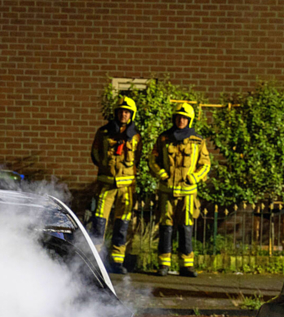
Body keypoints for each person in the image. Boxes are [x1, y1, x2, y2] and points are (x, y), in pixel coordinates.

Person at [148, 102, 211, 277]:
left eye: (184, 118)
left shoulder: (198, 141)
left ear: (189, 120)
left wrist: (195, 177)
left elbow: (205, 164)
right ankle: (163, 264)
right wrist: (161, 174)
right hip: (166, 191)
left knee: (185, 227)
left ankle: (186, 265)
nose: (181, 120)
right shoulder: (163, 139)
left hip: (188, 193)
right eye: (178, 117)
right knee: (165, 227)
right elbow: (152, 160)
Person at [90, 96, 140, 273]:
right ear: (116, 113)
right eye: (121, 111)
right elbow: (95, 154)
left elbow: (138, 159)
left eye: (127, 112)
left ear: (131, 115)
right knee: (99, 221)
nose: (123, 114)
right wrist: (106, 168)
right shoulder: (103, 132)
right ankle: (95, 259)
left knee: (122, 224)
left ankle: (117, 261)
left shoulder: (136, 136)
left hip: (126, 188)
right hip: (106, 186)